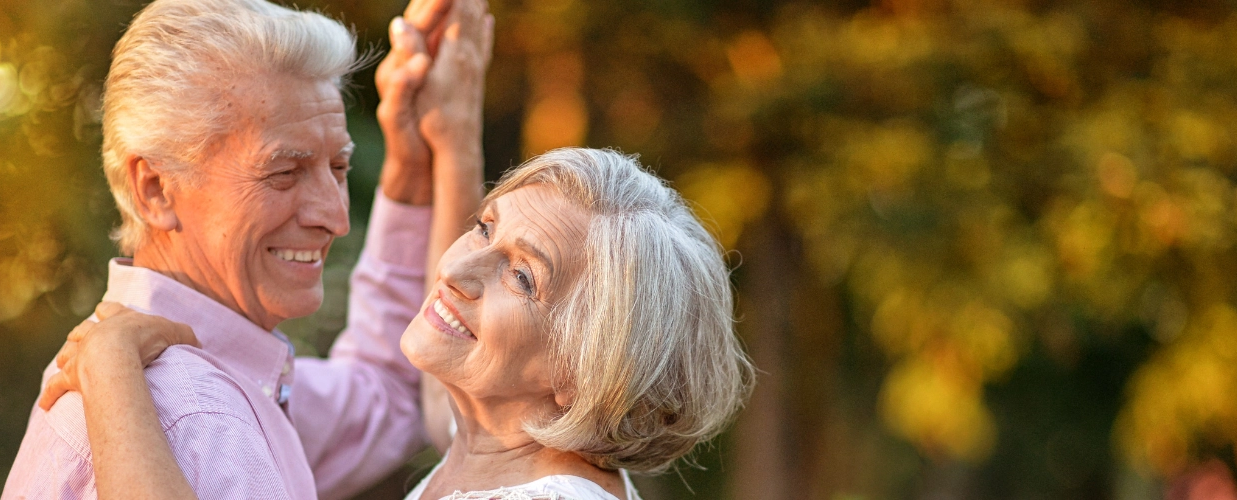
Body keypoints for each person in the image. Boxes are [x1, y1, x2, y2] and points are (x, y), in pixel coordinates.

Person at [45, 148, 758, 499]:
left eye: (521, 276)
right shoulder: (491, 454)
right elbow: (428, 407)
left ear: (587, 370)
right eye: (484, 227)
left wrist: (111, 370)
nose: (455, 270)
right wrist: (445, 136)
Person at [1, 0, 492, 497]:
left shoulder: (205, 378)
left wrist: (418, 164)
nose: (336, 218)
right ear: (155, 189)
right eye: (284, 173)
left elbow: (387, 392)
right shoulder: (195, 413)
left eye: (338, 168)